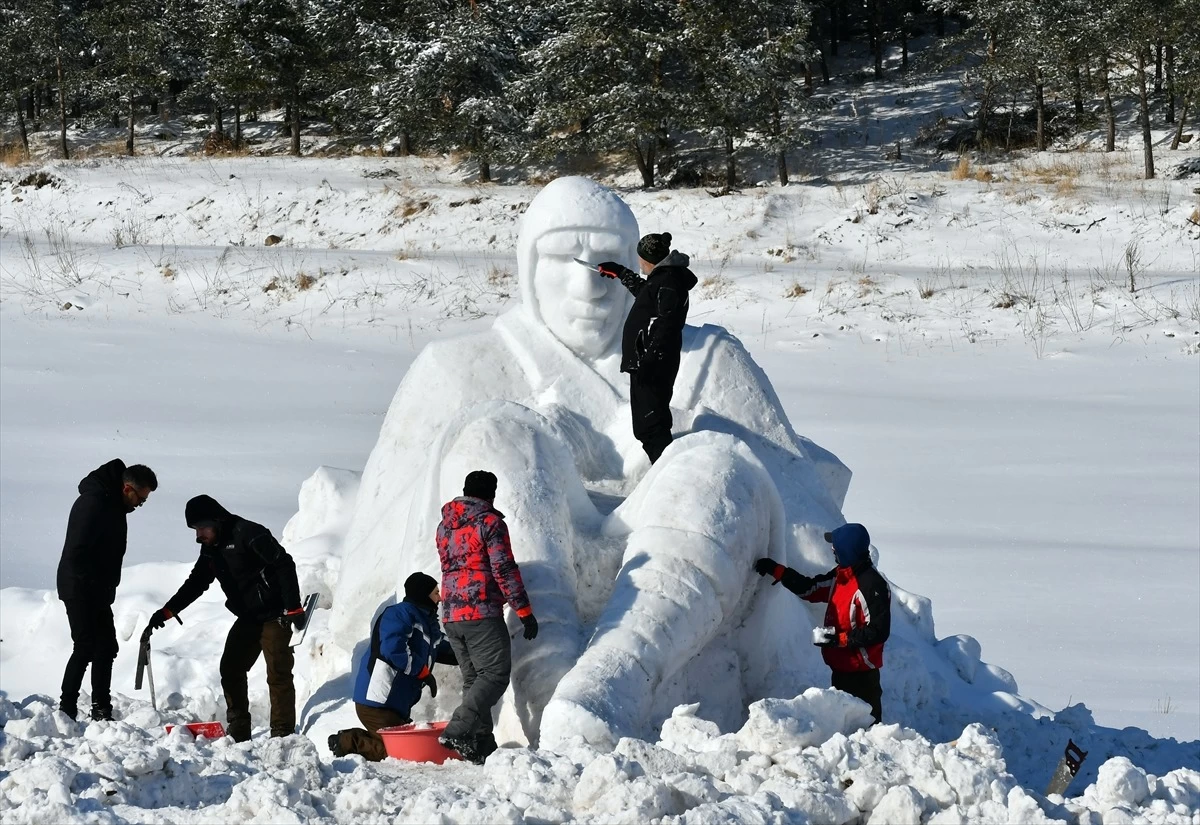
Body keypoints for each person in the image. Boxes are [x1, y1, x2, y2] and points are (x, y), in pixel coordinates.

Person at [321, 176, 852, 750]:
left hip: (677, 563)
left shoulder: (707, 360)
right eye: (561, 258)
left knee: (716, 462)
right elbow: (381, 532)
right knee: (497, 432)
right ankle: (547, 678)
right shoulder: (459, 366)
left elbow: (806, 508)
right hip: (528, 570)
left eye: (608, 262)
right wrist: (535, 446)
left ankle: (610, 682)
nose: (588, 287)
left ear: (634, 264)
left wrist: (688, 444)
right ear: (527, 265)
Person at [148, 495, 306, 742]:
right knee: (231, 668)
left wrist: (293, 607)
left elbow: (284, 564)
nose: (199, 535)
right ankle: (239, 730)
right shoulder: (211, 549)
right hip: (248, 618)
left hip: (275, 615)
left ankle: (282, 734)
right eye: (195, 530)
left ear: (217, 520)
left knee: (278, 672)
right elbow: (196, 583)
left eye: (202, 528)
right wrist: (168, 611)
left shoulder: (250, 534)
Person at [436, 471, 538, 764]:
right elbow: (503, 568)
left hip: (452, 614)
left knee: (473, 679)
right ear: (491, 494)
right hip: (480, 610)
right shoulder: (490, 523)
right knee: (493, 674)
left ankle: (479, 742)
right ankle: (457, 729)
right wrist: (523, 610)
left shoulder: (445, 526)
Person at [753, 522, 891, 724]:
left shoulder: (871, 585)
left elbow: (878, 631)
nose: (832, 550)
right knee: (845, 730)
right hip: (840, 669)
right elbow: (810, 588)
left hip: (862, 675)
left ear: (847, 549)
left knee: (866, 729)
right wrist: (778, 571)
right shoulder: (841, 576)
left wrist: (839, 639)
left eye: (835, 547)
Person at [57, 459, 158, 721]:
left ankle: (102, 709)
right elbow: (78, 550)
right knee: (85, 645)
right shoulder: (94, 503)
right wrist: (90, 586)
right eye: (141, 498)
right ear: (127, 488)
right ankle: (66, 710)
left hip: (97, 590)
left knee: (106, 647)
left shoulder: (113, 507)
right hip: (79, 587)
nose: (140, 504)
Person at [328, 572, 456, 761]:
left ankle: (354, 740)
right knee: (398, 753)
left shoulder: (427, 623)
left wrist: (469, 652)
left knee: (405, 748)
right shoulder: (399, 613)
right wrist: (421, 672)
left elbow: (441, 646)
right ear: (423, 594)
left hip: (395, 703)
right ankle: (347, 741)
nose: (440, 597)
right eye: (436, 592)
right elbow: (392, 649)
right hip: (377, 702)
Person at [597, 232, 698, 463]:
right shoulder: (663, 278)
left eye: (640, 258)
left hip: (653, 365)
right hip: (650, 361)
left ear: (648, 258)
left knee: (650, 427)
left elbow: (666, 324)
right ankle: (667, 472)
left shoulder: (669, 282)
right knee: (652, 424)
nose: (639, 262)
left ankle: (670, 477)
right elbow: (647, 296)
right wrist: (622, 273)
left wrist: (650, 361)